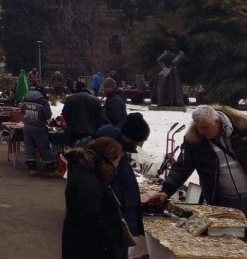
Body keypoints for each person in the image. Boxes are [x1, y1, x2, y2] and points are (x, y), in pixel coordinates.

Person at [148, 105, 247, 212]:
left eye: (205, 127)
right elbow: (182, 167)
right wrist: (166, 191)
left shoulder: (242, 130)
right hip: (222, 200)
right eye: (198, 127)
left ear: (217, 122)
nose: (201, 131)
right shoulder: (194, 141)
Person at [62, 137, 127, 259]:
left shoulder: (88, 172)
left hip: (81, 242)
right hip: (89, 246)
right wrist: (110, 239)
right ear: (109, 159)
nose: (118, 164)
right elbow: (91, 217)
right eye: (117, 160)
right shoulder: (90, 180)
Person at [97, 113, 151, 241]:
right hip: (115, 219)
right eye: (139, 142)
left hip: (118, 215)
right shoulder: (111, 151)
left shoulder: (116, 147)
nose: (139, 146)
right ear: (130, 137)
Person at [22, 85, 57, 177]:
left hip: (27, 126)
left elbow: (22, 111)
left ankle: (32, 169)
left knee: (29, 147)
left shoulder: (25, 99)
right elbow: (48, 115)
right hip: (39, 127)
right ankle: (52, 170)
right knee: (44, 147)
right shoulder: (43, 101)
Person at [62, 80, 106, 144]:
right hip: (91, 130)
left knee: (75, 148)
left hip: (74, 130)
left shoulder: (70, 98)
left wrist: (70, 122)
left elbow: (65, 113)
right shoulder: (95, 99)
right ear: (85, 87)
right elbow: (100, 115)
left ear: (76, 88)